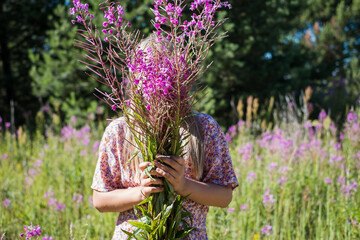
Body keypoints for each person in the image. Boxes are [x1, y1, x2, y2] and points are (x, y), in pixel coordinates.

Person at [91, 36, 239, 240]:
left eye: (164, 70)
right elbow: (99, 200)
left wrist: (183, 186)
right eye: (146, 70)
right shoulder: (119, 130)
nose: (154, 79)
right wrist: (140, 193)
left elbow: (224, 197)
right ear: (135, 76)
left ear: (179, 75)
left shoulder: (204, 128)